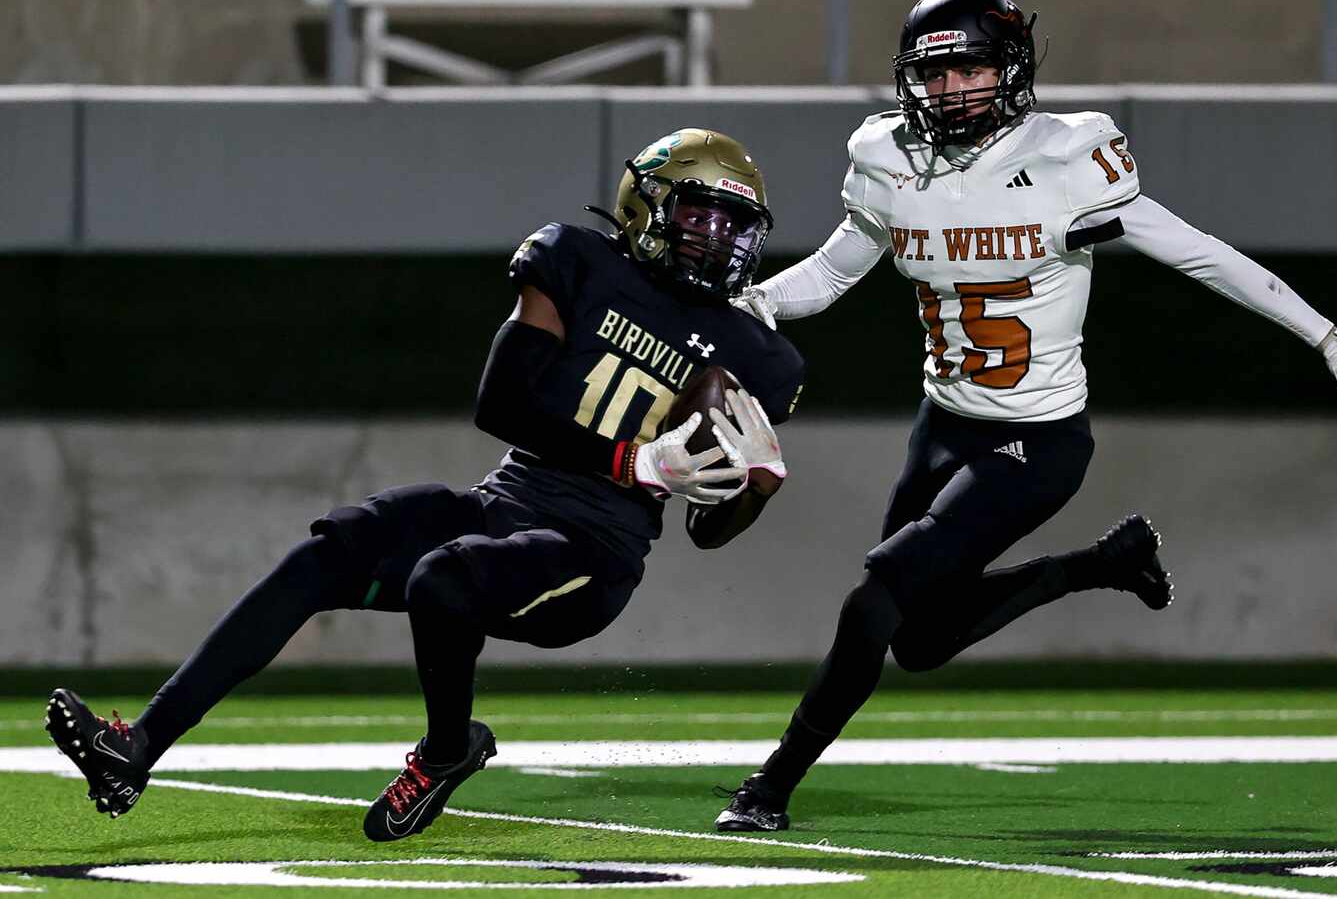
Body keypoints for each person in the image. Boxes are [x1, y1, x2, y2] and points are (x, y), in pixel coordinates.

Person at [714, 0, 1337, 833]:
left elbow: (1198, 255)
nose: (948, 92)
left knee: (875, 599)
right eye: (932, 76)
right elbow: (828, 275)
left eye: (969, 68)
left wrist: (1323, 332)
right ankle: (1103, 564)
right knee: (919, 641)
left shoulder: (1066, 160)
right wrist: (753, 302)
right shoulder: (892, 162)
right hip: (942, 425)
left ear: (1011, 70)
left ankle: (769, 789)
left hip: (1037, 438)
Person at [43, 127, 806, 842]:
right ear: (648, 204)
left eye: (736, 225)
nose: (719, 239)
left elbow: (708, 530)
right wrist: (631, 462)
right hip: (505, 500)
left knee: (447, 576)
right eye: (701, 214)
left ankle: (445, 751)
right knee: (330, 551)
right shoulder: (577, 261)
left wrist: (756, 487)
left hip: (592, 556)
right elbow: (501, 403)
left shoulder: (760, 357)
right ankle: (136, 748)